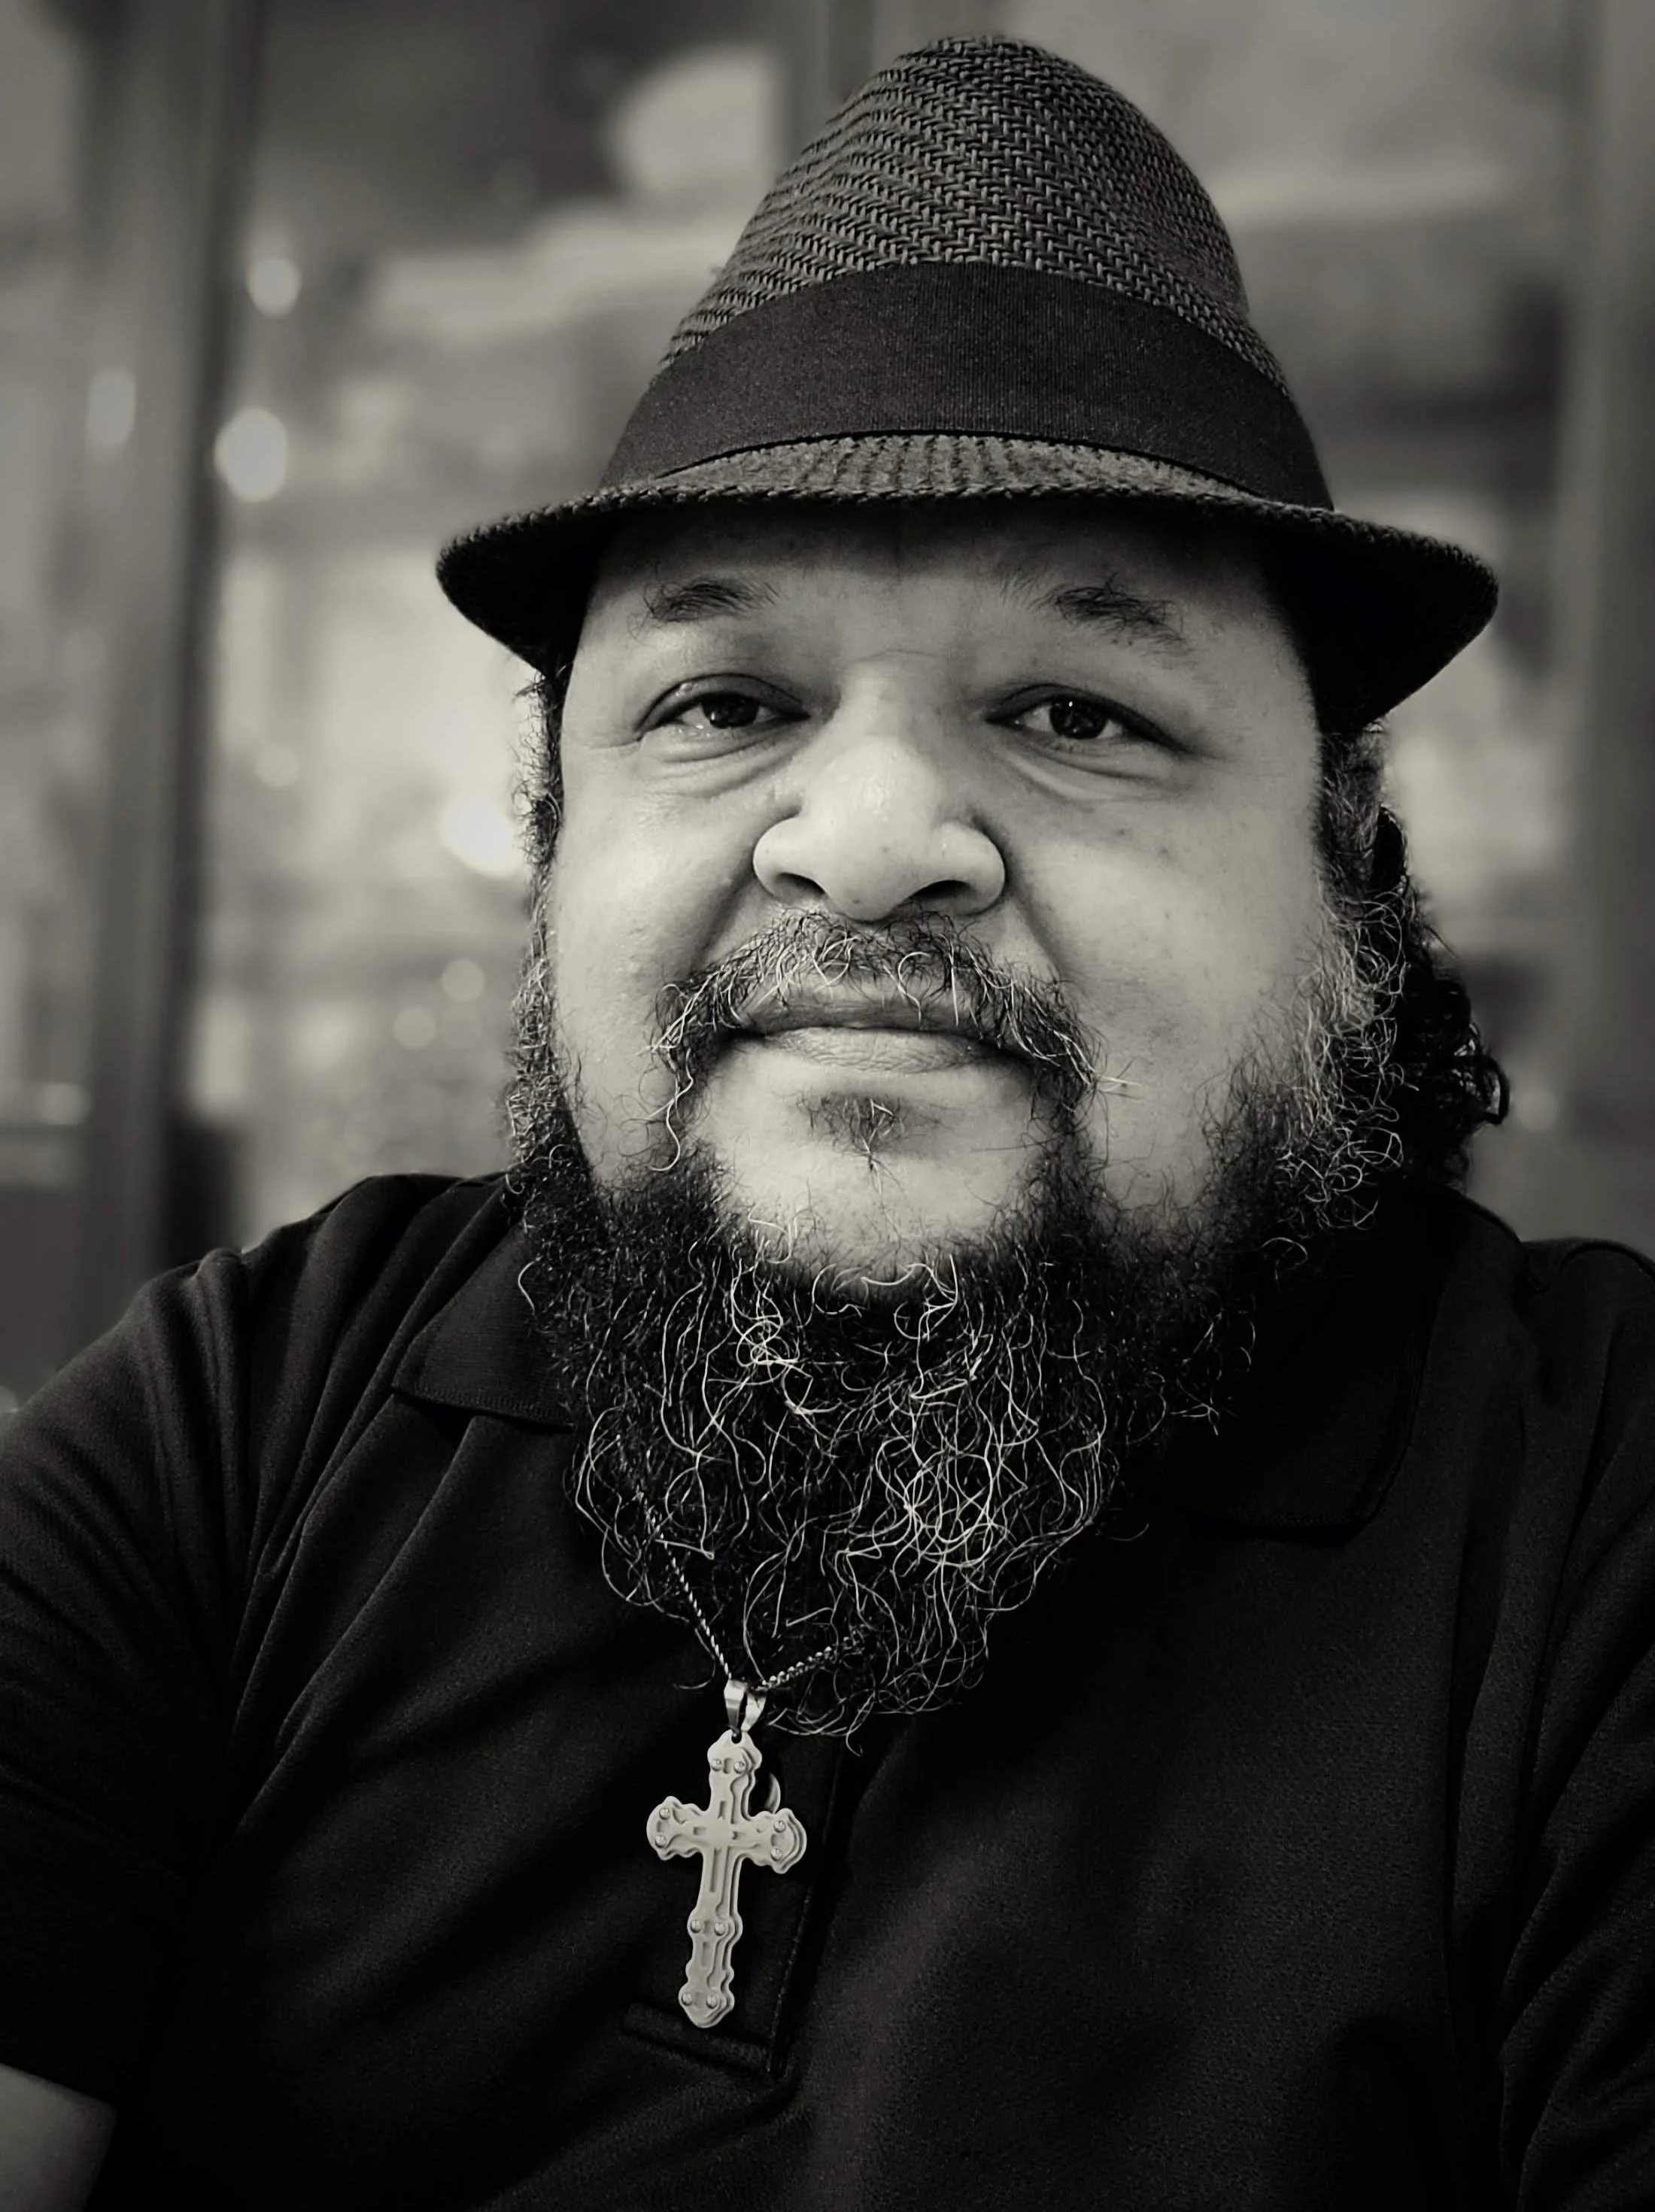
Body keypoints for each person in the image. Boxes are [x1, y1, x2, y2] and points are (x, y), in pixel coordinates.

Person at [2, 32, 1651, 2211]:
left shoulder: (1593, 1523)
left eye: (1080, 709)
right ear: (558, 839)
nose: (866, 836)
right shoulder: (244, 1422)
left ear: (1344, 869)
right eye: (726, 704)